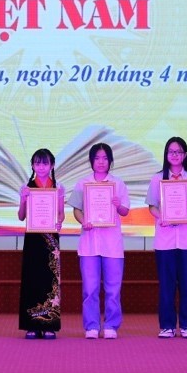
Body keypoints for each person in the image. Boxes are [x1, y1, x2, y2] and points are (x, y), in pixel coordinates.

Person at [69, 142, 130, 339]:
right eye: (97, 158)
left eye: (105, 158)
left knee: (113, 289)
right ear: (91, 161)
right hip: (89, 244)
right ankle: (92, 326)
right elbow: (76, 210)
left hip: (112, 244)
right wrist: (83, 221)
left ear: (110, 161)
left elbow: (125, 211)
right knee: (90, 289)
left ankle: (111, 325)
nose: (101, 162)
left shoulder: (118, 183)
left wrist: (118, 205)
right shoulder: (82, 183)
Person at [145, 136, 187, 339]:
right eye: (171, 152)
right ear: (166, 155)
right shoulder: (157, 178)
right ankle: (167, 325)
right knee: (167, 284)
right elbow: (152, 206)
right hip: (165, 240)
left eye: (178, 152)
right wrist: (162, 217)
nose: (175, 155)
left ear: (185, 155)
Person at [17, 148, 64, 339]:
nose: (41, 167)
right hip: (33, 238)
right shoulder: (27, 186)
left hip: (51, 239)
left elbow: (60, 213)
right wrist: (23, 198)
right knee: (32, 279)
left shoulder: (58, 187)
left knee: (50, 280)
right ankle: (32, 325)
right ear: (32, 165)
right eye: (37, 163)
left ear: (52, 165)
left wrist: (59, 221)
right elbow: (21, 217)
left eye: (45, 163)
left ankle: (49, 324)